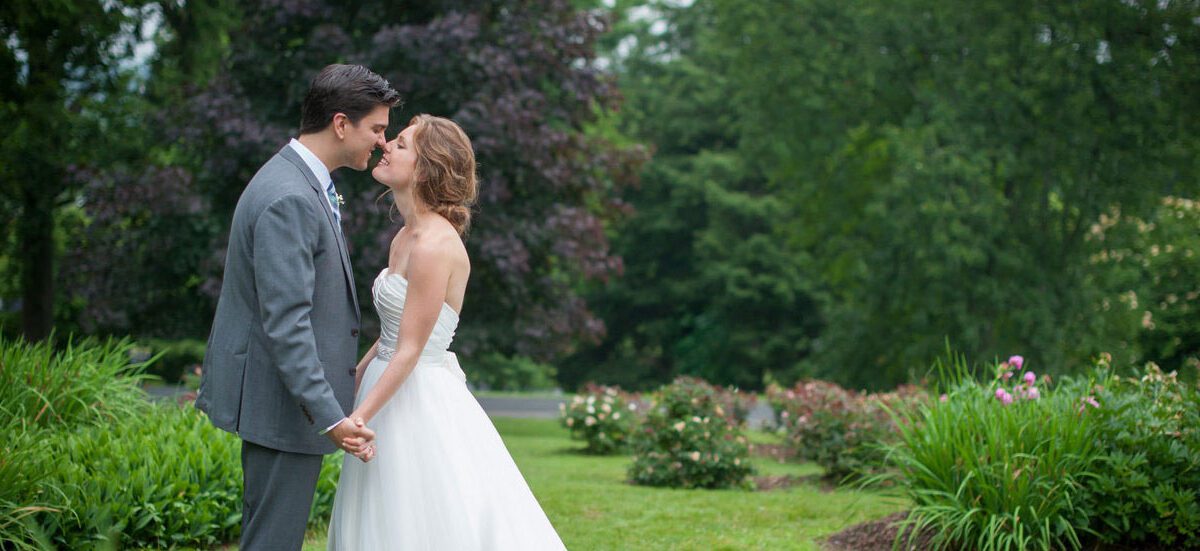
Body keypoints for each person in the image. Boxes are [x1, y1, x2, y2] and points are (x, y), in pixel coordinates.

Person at [326, 115, 566, 550]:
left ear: (425, 167)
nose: (386, 147)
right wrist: (348, 390)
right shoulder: (403, 237)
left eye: (400, 144)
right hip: (387, 383)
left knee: (420, 516)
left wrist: (360, 419)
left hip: (417, 398)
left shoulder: (435, 245)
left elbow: (411, 349)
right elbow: (391, 334)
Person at [196, 63, 401, 550]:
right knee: (272, 542)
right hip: (283, 407)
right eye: (376, 128)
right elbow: (286, 324)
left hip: (283, 404)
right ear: (339, 123)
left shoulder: (299, 181)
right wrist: (330, 416)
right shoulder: (289, 196)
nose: (380, 142)